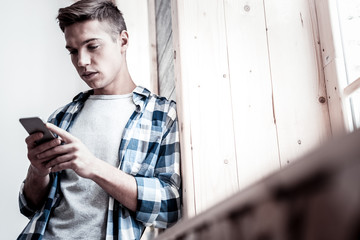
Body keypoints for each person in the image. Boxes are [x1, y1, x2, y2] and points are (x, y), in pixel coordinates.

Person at [17, 0, 181, 239]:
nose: (81, 61)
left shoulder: (161, 115)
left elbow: (170, 207)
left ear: (123, 41)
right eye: (73, 51)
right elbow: (28, 206)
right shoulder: (61, 117)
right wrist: (38, 170)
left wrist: (94, 167)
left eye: (92, 46)